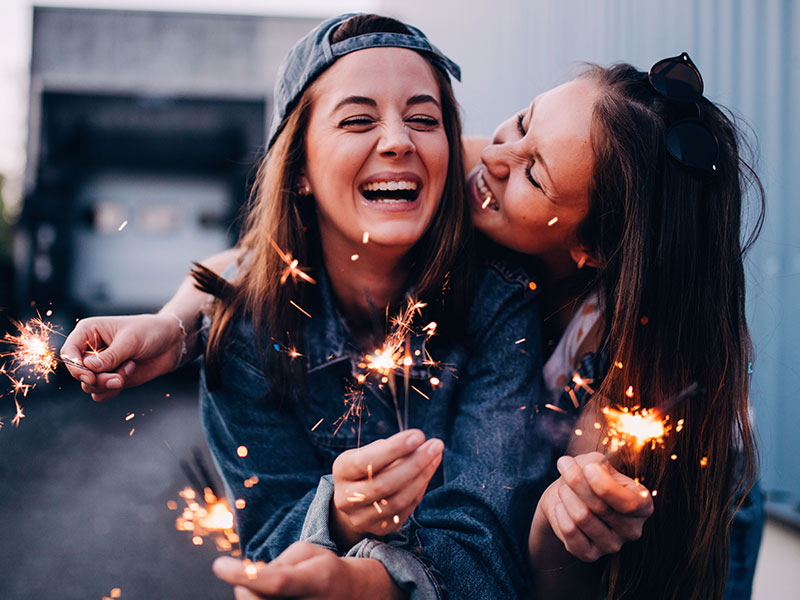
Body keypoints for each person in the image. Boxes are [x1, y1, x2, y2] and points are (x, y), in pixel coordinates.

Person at [63, 13, 551, 600]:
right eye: (357, 120)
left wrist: (372, 585)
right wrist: (337, 517)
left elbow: (493, 541)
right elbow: (268, 542)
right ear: (298, 170)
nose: (398, 140)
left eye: (424, 119)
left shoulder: (501, 303)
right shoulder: (244, 334)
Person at [463, 53, 764, 599]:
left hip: (707, 493)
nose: (495, 152)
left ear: (593, 248)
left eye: (534, 173)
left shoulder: (628, 397)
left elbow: (567, 579)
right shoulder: (488, 167)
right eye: (525, 120)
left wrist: (557, 523)